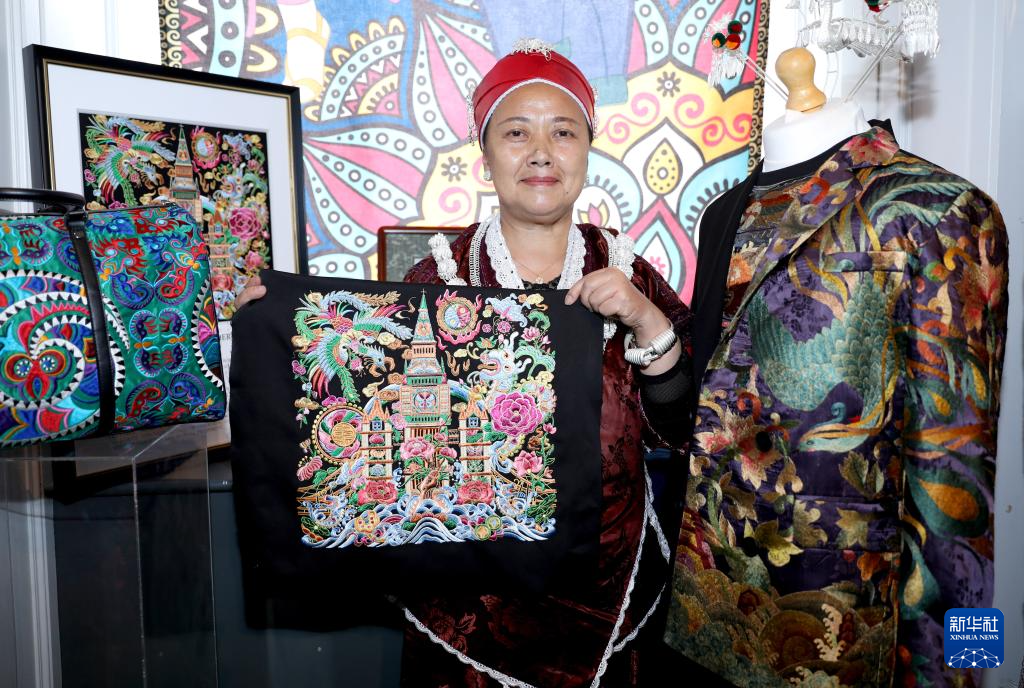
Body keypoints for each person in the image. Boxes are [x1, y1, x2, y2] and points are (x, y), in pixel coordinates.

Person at [237, 38, 692, 686]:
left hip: (609, 590)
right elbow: (359, 407)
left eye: (563, 131)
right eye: (517, 132)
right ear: (485, 153)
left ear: (588, 149)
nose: (541, 152)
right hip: (466, 607)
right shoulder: (435, 280)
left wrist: (647, 321)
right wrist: (274, 323)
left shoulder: (628, 272)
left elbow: (682, 428)